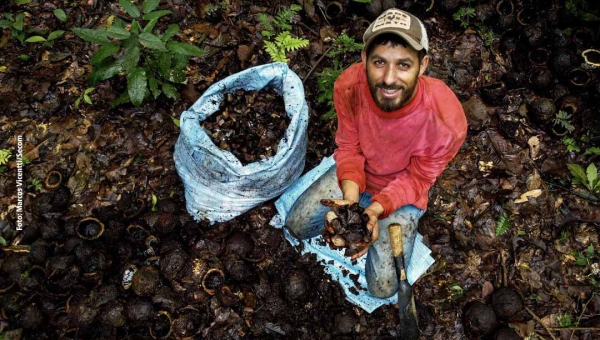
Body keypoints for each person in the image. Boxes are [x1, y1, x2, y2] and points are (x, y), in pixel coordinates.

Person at [284, 8, 468, 299]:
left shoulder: (446, 120)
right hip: (358, 178)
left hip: (402, 194)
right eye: (379, 62)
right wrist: (351, 204)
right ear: (364, 60)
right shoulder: (349, 86)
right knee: (296, 226)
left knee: (383, 288)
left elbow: (419, 178)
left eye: (404, 65)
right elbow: (349, 148)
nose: (389, 79)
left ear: (423, 66)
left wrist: (375, 210)